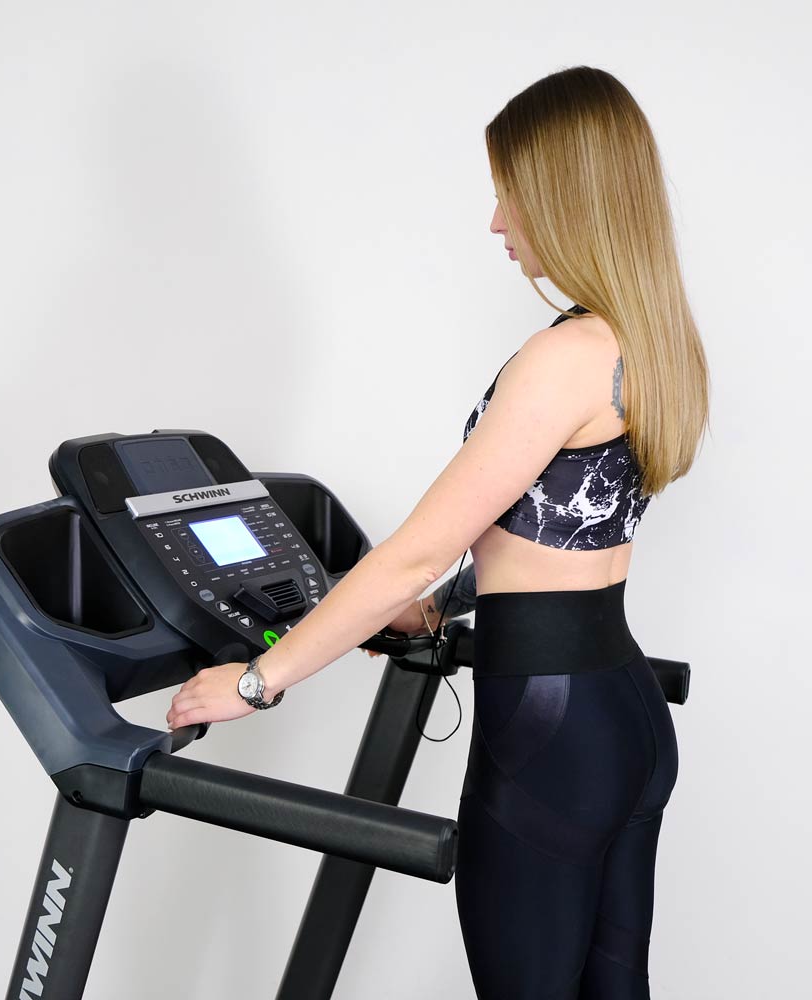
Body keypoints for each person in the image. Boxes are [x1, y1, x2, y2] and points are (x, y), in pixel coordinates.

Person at [167, 64, 709, 999]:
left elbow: (416, 550)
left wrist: (256, 683)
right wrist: (442, 607)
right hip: (622, 716)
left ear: (565, 197)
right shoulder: (649, 342)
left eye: (510, 193)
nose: (497, 222)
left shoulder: (562, 358)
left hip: (549, 736)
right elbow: (557, 530)